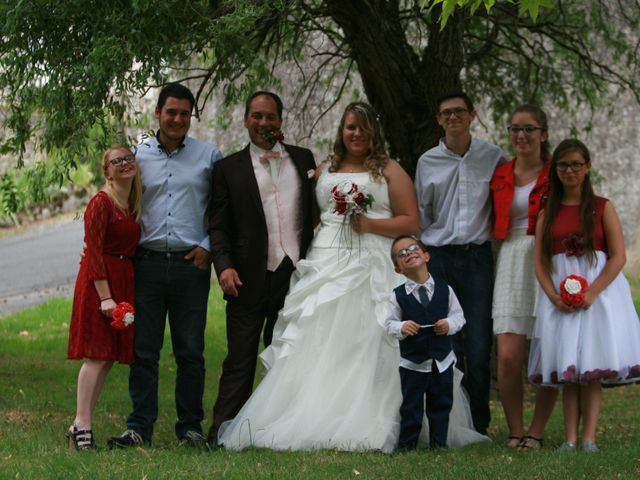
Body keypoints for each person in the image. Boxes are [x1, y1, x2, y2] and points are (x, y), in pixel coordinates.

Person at [218, 102, 488, 452]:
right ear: (341, 131)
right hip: (327, 260)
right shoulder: (325, 167)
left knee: (373, 336)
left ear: (373, 132)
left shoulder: (389, 169)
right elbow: (310, 214)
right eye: (349, 127)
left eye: (362, 127)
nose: (356, 134)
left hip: (374, 261)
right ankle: (316, 412)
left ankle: (379, 415)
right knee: (321, 337)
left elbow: (410, 221)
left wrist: (370, 224)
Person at [108, 83, 223, 448]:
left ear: (191, 117)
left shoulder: (209, 156)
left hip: (192, 266)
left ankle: (190, 428)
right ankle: (138, 427)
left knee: (190, 350)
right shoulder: (137, 158)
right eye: (170, 112)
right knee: (144, 350)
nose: (177, 119)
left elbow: (222, 210)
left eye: (184, 114)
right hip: (147, 264)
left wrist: (209, 247)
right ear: (157, 114)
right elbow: (119, 205)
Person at [207, 91, 316, 445]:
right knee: (240, 358)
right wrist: (223, 267)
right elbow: (219, 225)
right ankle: (223, 430)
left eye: (270, 117)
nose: (264, 123)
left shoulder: (303, 159)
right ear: (245, 121)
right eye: (257, 116)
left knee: (287, 353)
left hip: (295, 273)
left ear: (280, 121)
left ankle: (281, 428)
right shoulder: (228, 168)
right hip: (247, 276)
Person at [529, 139, 640, 451]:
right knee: (569, 368)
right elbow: (539, 262)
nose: (570, 170)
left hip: (597, 296)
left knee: (590, 368)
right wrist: (552, 296)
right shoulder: (546, 212)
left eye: (576, 164)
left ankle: (589, 437)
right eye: (563, 165)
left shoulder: (602, 207)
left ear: (587, 167)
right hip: (559, 297)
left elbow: (617, 256)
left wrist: (592, 292)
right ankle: (570, 438)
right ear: (555, 170)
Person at [414, 92, 508, 434]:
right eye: (446, 113)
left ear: (472, 115)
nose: (453, 117)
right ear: (439, 119)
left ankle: (479, 424)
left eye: (459, 112)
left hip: (477, 259)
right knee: (446, 342)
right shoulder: (427, 162)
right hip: (439, 259)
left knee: (479, 343)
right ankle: (453, 424)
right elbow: (422, 214)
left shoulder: (494, 157)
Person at [490, 105, 558, 449]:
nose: (521, 135)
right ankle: (515, 429)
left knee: (547, 349)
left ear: (543, 134)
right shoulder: (500, 173)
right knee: (508, 354)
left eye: (529, 129)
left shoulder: (557, 172)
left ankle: (537, 430)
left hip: (549, 257)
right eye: (515, 129)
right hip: (512, 256)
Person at [66, 145, 142, 449]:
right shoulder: (101, 203)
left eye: (128, 158)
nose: (124, 164)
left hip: (121, 279)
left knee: (107, 357)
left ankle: (79, 424)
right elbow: (94, 251)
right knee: (96, 355)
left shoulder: (131, 202)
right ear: (106, 171)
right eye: (116, 161)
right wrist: (106, 298)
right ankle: (82, 424)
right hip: (101, 285)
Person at [385, 235, 465, 450]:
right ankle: (407, 446)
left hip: (442, 361)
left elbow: (459, 317)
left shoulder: (444, 289)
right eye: (402, 254)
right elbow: (389, 324)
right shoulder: (397, 296)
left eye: (413, 248)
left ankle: (439, 444)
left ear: (426, 255)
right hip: (413, 363)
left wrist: (448, 324)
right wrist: (402, 327)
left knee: (441, 404)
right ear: (398, 269)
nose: (409, 253)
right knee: (411, 406)